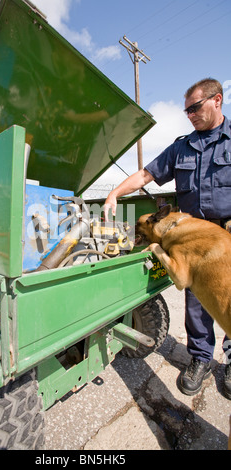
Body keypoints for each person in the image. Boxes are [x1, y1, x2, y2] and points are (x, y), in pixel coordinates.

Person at [104, 78, 231, 400]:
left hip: (228, 234)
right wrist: (115, 192)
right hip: (192, 238)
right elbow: (146, 175)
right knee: (197, 302)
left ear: (217, 100)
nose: (189, 114)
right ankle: (201, 359)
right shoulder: (182, 147)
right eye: (186, 110)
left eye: (195, 107)